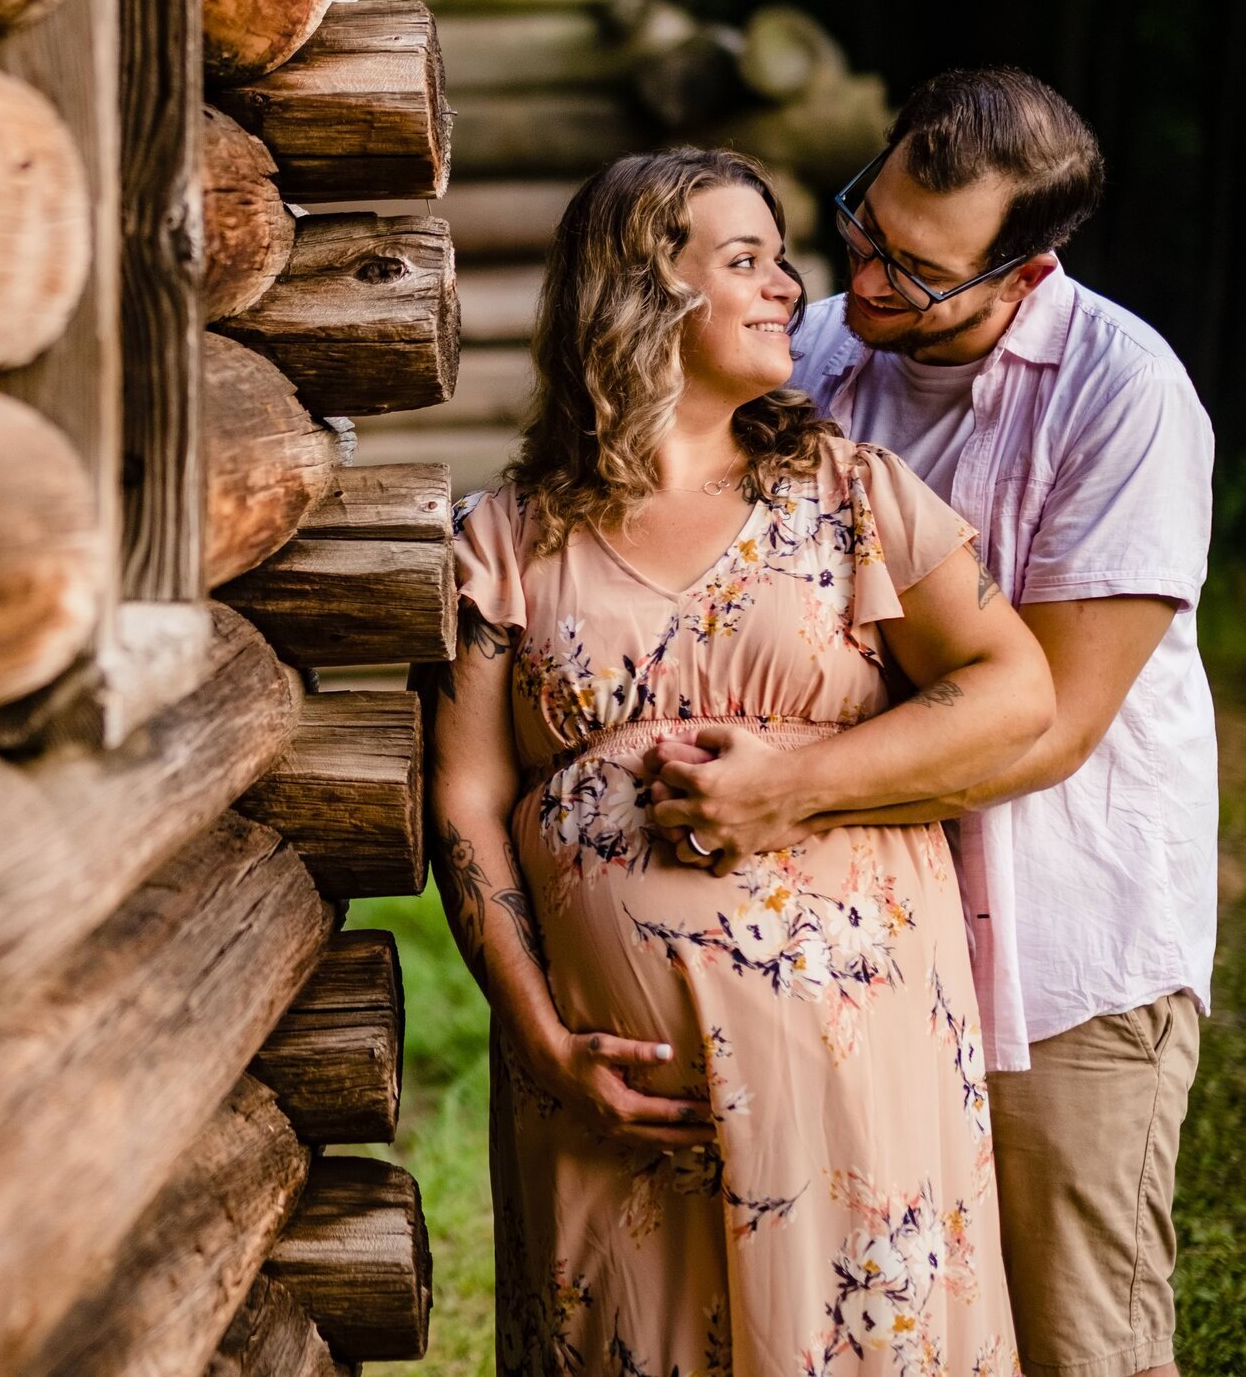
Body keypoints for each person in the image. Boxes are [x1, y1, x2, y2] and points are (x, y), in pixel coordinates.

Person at [426, 146, 1056, 1374]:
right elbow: (465, 793)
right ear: (642, 289)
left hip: (850, 1060)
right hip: (614, 1102)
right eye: (745, 259)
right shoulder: (503, 540)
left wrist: (795, 783)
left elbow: (1013, 687)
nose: (789, 287)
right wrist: (546, 1039)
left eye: (779, 258)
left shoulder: (847, 493)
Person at [649, 69, 1218, 1377]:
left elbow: (1054, 723)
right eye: (864, 223)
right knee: (893, 1317)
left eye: (919, 268)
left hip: (1060, 951)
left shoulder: (1125, 396)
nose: (868, 277)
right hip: (849, 936)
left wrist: (788, 783)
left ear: (1023, 275)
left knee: (1080, 1329)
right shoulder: (827, 354)